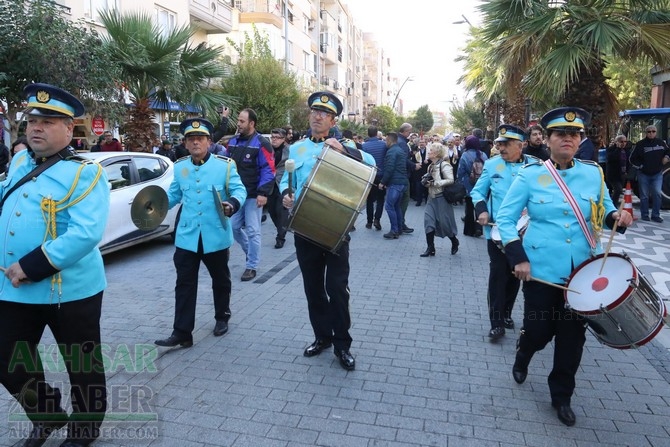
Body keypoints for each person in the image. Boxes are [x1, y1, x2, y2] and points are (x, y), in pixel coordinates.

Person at [496, 107, 633, 427]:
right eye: (561, 134)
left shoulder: (592, 172)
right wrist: (519, 258)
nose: (568, 139)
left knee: (572, 339)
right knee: (541, 331)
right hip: (541, 270)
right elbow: (505, 219)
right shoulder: (530, 175)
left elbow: (605, 209)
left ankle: (562, 396)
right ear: (549, 139)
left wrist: (617, 218)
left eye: (574, 135)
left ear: (580, 140)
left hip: (584, 273)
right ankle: (524, 351)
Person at [0, 83, 110, 447]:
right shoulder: (18, 162)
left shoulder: (87, 173)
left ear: (69, 129)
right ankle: (47, 414)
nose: (36, 128)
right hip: (14, 290)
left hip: (71, 291)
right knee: (8, 360)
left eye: (48, 121)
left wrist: (29, 266)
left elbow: (85, 234)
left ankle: (84, 430)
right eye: (33, 120)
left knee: (82, 368)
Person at [279, 91, 373, 371]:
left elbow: (371, 165)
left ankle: (343, 345)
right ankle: (322, 337)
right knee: (313, 289)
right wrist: (286, 194)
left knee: (337, 289)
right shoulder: (297, 149)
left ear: (333, 121)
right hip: (304, 227)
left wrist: (345, 150)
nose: (317, 117)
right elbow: (287, 178)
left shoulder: (344, 145)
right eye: (314, 112)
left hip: (334, 229)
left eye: (324, 114)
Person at [155, 118, 247, 348]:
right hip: (187, 236)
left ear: (209, 141)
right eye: (191, 139)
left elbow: (239, 189)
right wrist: (152, 207)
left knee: (220, 279)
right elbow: (174, 195)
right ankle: (182, 332)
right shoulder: (180, 167)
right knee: (184, 284)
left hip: (214, 234)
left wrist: (232, 204)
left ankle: (222, 316)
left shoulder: (224, 165)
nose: (195, 142)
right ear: (185, 143)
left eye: (200, 138)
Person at [471, 124, 537, 341]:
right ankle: (496, 322)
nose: (501, 148)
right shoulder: (492, 165)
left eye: (506, 144)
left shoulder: (536, 167)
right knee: (498, 276)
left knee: (514, 276)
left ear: (521, 145)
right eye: (499, 144)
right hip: (497, 232)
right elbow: (478, 192)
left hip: (526, 233)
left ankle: (507, 312)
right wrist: (481, 210)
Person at [226, 108, 275, 281]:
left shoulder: (261, 142)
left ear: (251, 123)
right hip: (237, 195)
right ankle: (250, 253)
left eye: (242, 121)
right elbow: (227, 167)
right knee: (233, 227)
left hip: (254, 195)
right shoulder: (232, 142)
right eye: (238, 120)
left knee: (253, 231)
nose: (238, 124)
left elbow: (269, 170)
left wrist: (263, 193)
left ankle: (251, 266)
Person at [419, 142, 459, 256]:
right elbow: (430, 180)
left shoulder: (445, 165)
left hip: (442, 198)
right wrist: (427, 183)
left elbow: (450, 180)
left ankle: (454, 241)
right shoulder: (431, 166)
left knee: (445, 224)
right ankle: (430, 248)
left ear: (436, 153)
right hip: (431, 198)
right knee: (428, 222)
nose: (429, 152)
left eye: (431, 151)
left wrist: (435, 183)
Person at [629, 125, 670, 222]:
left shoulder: (661, 143)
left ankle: (656, 215)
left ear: (656, 132)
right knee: (644, 196)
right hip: (643, 174)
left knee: (657, 194)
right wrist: (641, 166)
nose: (651, 133)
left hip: (657, 174)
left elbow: (668, 151)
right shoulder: (640, 144)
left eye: (653, 131)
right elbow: (632, 159)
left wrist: (667, 157)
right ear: (645, 133)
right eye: (649, 132)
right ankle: (645, 215)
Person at [379, 132, 409, 239]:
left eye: (386, 140)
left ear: (390, 140)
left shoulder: (391, 152)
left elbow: (389, 168)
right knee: (396, 206)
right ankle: (399, 228)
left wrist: (383, 182)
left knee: (389, 206)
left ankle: (394, 230)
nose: (385, 142)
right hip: (402, 182)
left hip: (395, 183)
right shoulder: (400, 150)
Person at [457, 135, 488, 237]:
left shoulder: (465, 155)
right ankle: (479, 227)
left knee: (469, 207)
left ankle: (469, 230)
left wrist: (460, 181)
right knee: (479, 205)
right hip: (482, 184)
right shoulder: (483, 155)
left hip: (469, 184)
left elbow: (461, 170)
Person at [267, 128, 290, 248]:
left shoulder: (289, 151)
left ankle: (280, 237)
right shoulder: (267, 150)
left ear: (283, 139)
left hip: (283, 184)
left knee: (281, 211)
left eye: (277, 137)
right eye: (273, 137)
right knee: (272, 211)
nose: (274, 140)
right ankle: (282, 228)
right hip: (270, 185)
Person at [362, 125, 386, 230]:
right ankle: (377, 220)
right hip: (381, 175)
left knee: (370, 200)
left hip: (370, 175)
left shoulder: (364, 146)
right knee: (380, 199)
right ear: (377, 133)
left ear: (368, 134)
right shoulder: (384, 145)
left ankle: (369, 222)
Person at [605, 134, 632, 205]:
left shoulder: (626, 150)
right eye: (621, 141)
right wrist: (618, 148)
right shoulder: (611, 149)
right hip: (613, 175)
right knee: (618, 189)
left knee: (619, 190)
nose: (623, 143)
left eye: (625, 141)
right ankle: (613, 205)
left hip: (622, 174)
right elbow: (611, 158)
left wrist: (627, 171)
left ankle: (613, 203)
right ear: (616, 142)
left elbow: (628, 161)